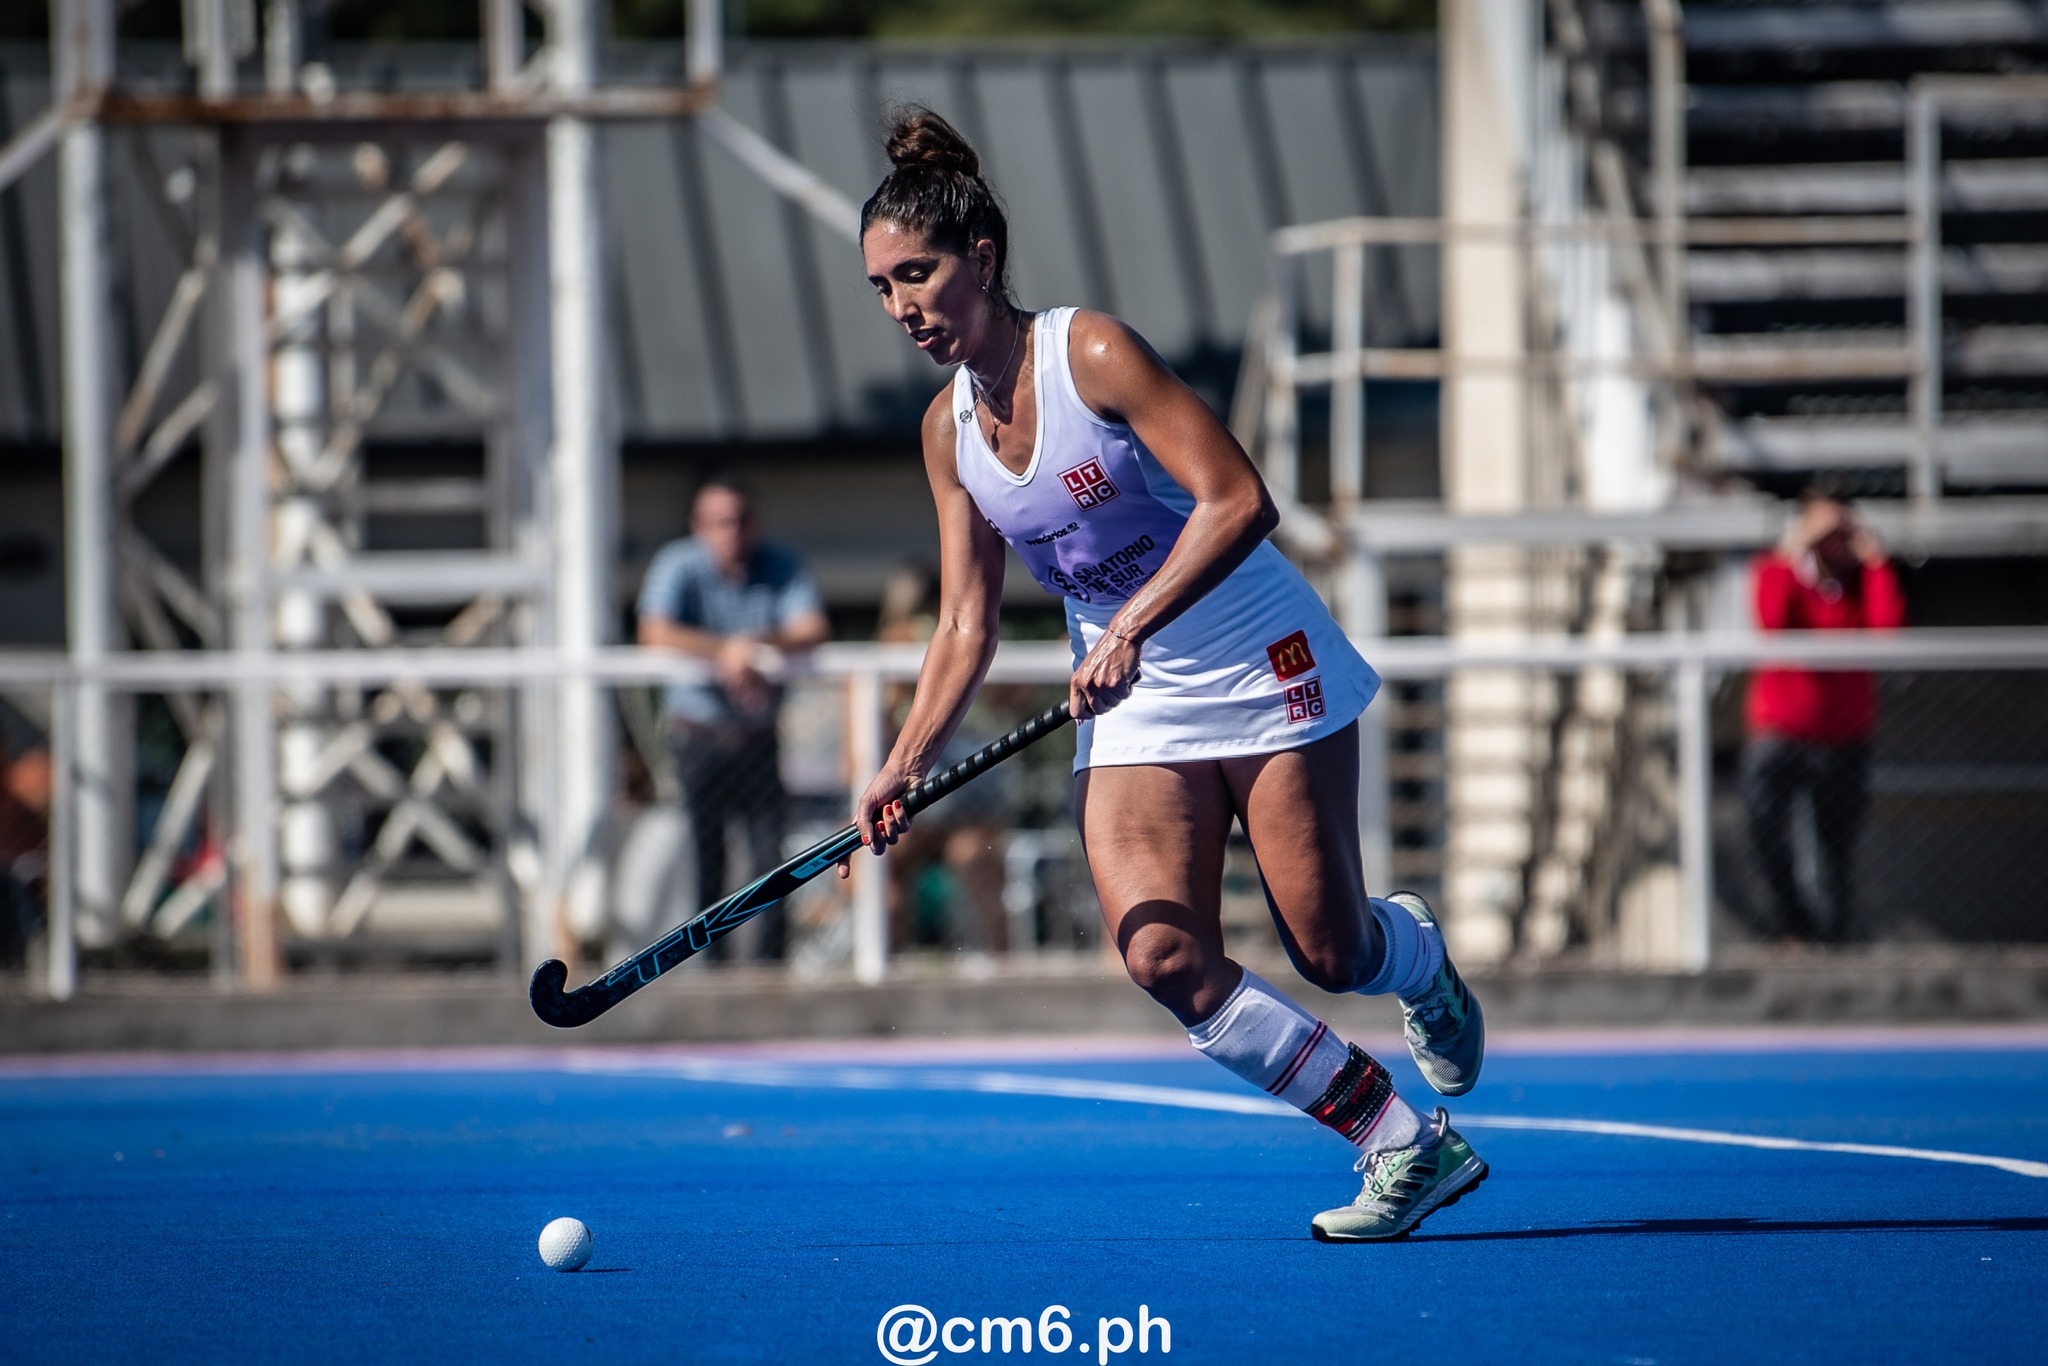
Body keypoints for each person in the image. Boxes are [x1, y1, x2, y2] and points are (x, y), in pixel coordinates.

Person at [840, 107, 1488, 1242]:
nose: (902, 306)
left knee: (1330, 950)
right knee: (1159, 952)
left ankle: (1417, 958)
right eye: (882, 287)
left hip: (1254, 652)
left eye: (918, 274)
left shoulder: (1089, 352)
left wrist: (1131, 620)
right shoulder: (948, 433)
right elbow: (962, 619)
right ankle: (1398, 1142)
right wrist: (897, 765)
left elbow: (1240, 499)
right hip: (1136, 695)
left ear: (980, 260)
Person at [638, 475, 830, 961]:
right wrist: (728, 652)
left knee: (774, 865)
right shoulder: (678, 564)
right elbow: (655, 630)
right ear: (699, 526)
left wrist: (754, 647)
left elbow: (812, 627)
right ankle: (712, 973)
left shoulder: (779, 563)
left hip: (757, 739)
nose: (732, 531)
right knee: (708, 866)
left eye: (741, 520)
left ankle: (770, 972)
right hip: (697, 739)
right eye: (721, 521)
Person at [1743, 489, 1905, 943]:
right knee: (1763, 823)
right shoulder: (1784, 575)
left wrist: (1873, 561)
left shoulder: (1858, 583)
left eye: (1840, 532)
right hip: (1784, 732)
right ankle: (1792, 924)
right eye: (1825, 532)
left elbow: (1886, 633)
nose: (1833, 542)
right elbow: (1771, 623)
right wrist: (1794, 547)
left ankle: (1835, 939)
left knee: (1837, 847)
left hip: (1844, 736)